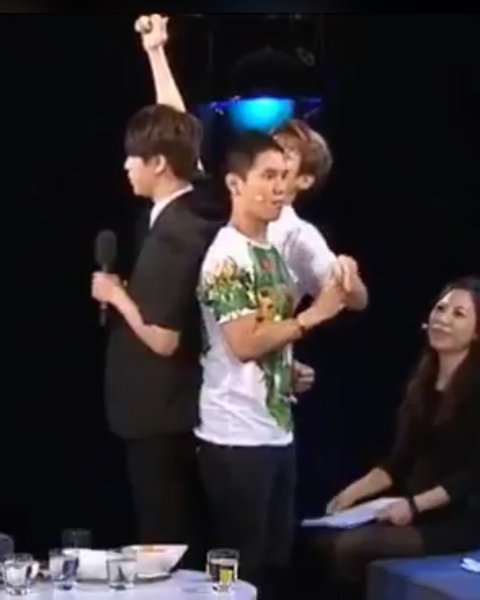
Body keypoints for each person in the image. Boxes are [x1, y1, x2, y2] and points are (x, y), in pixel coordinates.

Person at [196, 130, 347, 599]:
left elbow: (267, 338)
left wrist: (287, 368)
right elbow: (243, 342)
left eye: (284, 176)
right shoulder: (226, 255)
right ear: (235, 184)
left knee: (274, 564)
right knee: (239, 568)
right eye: (267, 176)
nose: (279, 187)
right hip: (234, 435)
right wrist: (311, 317)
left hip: (275, 429)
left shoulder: (273, 252)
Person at [134, 13, 368, 310]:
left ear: (304, 179)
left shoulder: (298, 236)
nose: (274, 156)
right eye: (271, 147)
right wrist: (156, 52)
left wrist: (348, 274)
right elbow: (178, 132)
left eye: (287, 153)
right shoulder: (221, 204)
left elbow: (356, 300)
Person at [91, 103, 220, 563]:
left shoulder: (177, 231)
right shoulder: (175, 215)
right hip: (157, 409)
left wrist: (117, 296)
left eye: (133, 157)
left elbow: (165, 339)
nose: (126, 166)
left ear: (159, 162)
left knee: (166, 534)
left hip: (160, 410)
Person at [300, 275, 480, 599]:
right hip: (413, 508)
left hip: (454, 520)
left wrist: (413, 506)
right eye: (440, 309)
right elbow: (398, 462)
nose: (443, 319)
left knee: (350, 548)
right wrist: (349, 495)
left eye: (458, 314)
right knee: (322, 539)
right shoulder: (422, 384)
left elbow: (469, 477)